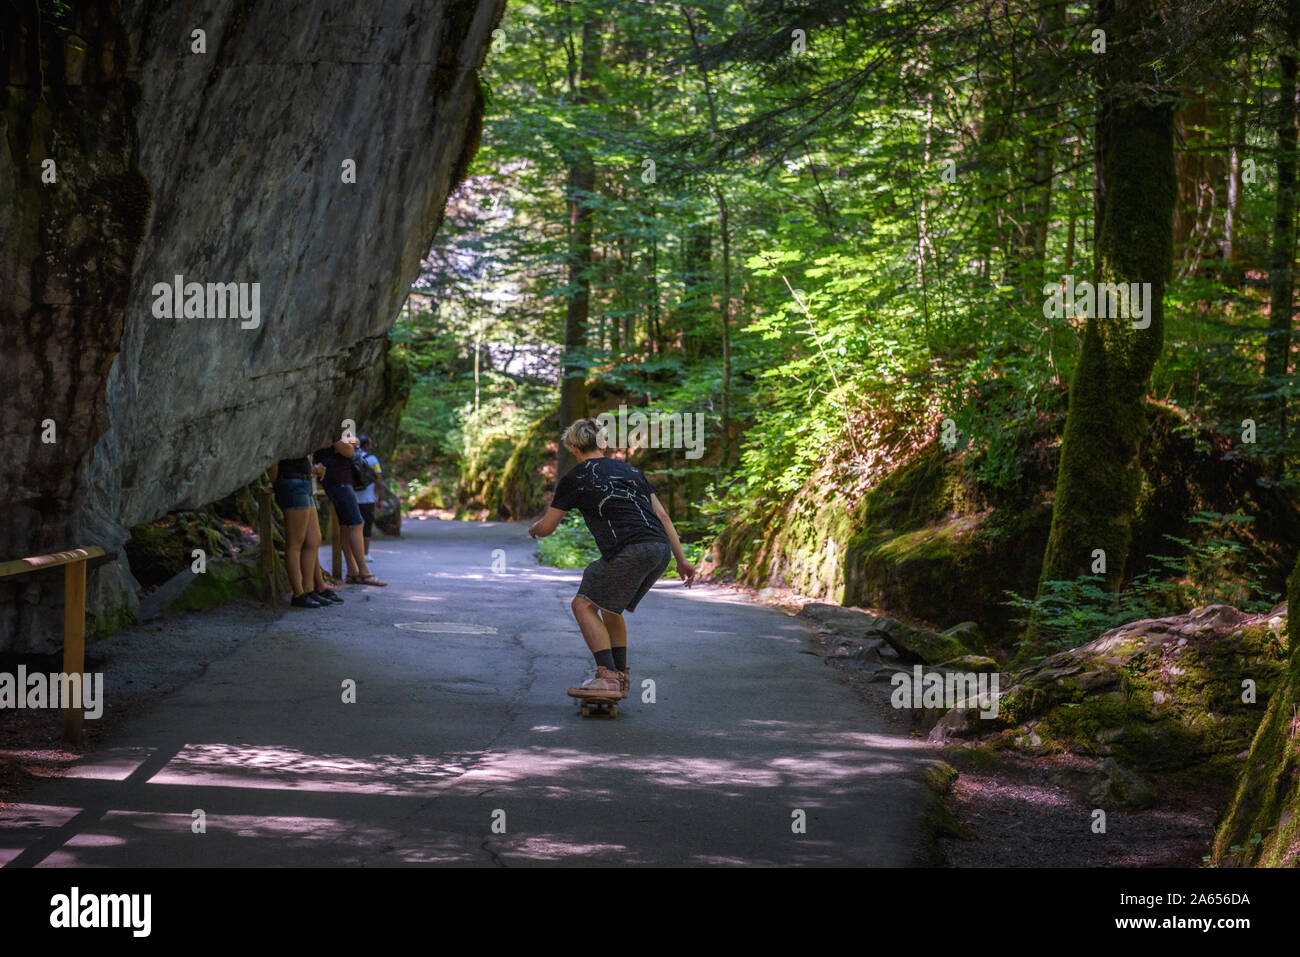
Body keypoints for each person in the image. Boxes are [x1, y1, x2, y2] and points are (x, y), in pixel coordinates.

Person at [529, 418, 695, 701]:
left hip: (631, 550)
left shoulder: (576, 477)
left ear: (573, 447)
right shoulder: (632, 471)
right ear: (602, 443)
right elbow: (663, 517)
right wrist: (682, 560)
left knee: (582, 604)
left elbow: (548, 527)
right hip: (659, 549)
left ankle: (607, 679)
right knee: (609, 608)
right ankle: (620, 677)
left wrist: (534, 529)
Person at [268, 454, 343, 608]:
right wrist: (277, 482)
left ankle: (309, 590)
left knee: (314, 538)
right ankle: (298, 593)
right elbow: (272, 458)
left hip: (305, 481)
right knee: (295, 542)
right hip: (291, 482)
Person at [313, 436, 386, 586]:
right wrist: (353, 444)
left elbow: (354, 444)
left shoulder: (331, 429)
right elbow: (348, 451)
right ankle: (364, 572)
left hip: (336, 480)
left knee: (346, 526)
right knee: (356, 523)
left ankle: (353, 572)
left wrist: (354, 443)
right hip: (339, 480)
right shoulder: (332, 428)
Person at [353, 434, 384, 562]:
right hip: (368, 498)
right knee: (367, 527)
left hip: (353, 497)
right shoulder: (373, 460)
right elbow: (378, 478)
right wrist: (380, 497)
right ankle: (365, 554)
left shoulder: (353, 457)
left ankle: (355, 555)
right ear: (367, 445)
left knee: (354, 527)